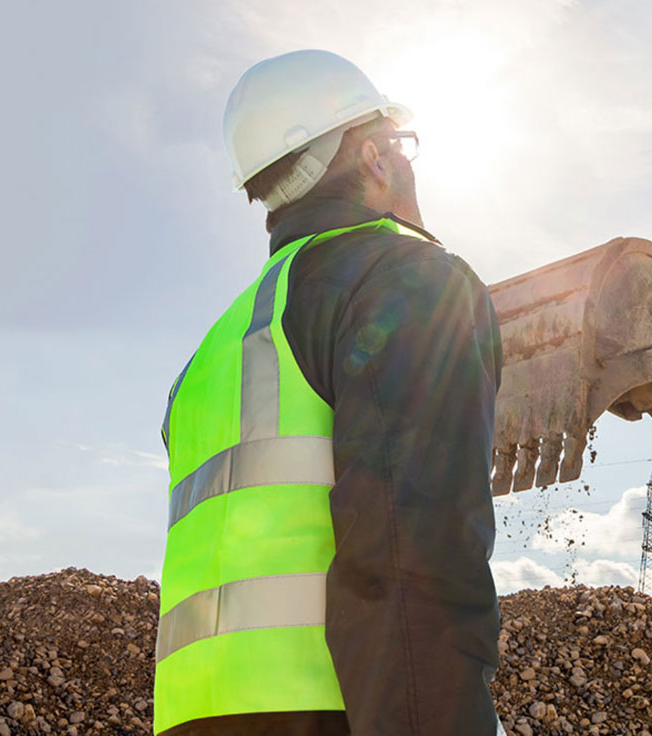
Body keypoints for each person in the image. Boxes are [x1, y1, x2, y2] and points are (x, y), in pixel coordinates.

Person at [154, 50, 503, 735]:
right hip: (330, 710)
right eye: (402, 146)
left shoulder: (211, 354)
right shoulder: (401, 282)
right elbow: (410, 562)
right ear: (374, 157)